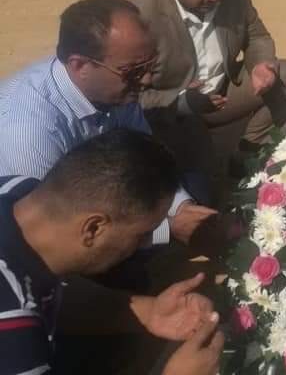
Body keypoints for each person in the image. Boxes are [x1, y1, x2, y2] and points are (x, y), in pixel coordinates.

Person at [0, 130, 223, 375]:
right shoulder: (12, 326)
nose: (145, 244)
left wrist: (149, 312)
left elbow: (54, 288)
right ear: (94, 228)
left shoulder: (19, 193)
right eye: (141, 234)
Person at [0, 0, 214, 246]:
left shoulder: (117, 88)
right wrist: (168, 228)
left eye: (150, 65)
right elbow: (44, 232)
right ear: (80, 66)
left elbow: (144, 156)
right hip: (36, 233)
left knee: (195, 193)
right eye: (134, 71)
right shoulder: (28, 129)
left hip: (93, 192)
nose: (146, 80)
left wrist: (183, 208)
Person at [133, 0, 286, 197]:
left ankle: (246, 151)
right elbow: (132, 97)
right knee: (207, 189)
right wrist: (182, 101)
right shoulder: (140, 16)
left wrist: (261, 65)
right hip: (174, 113)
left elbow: (256, 34)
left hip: (223, 95)